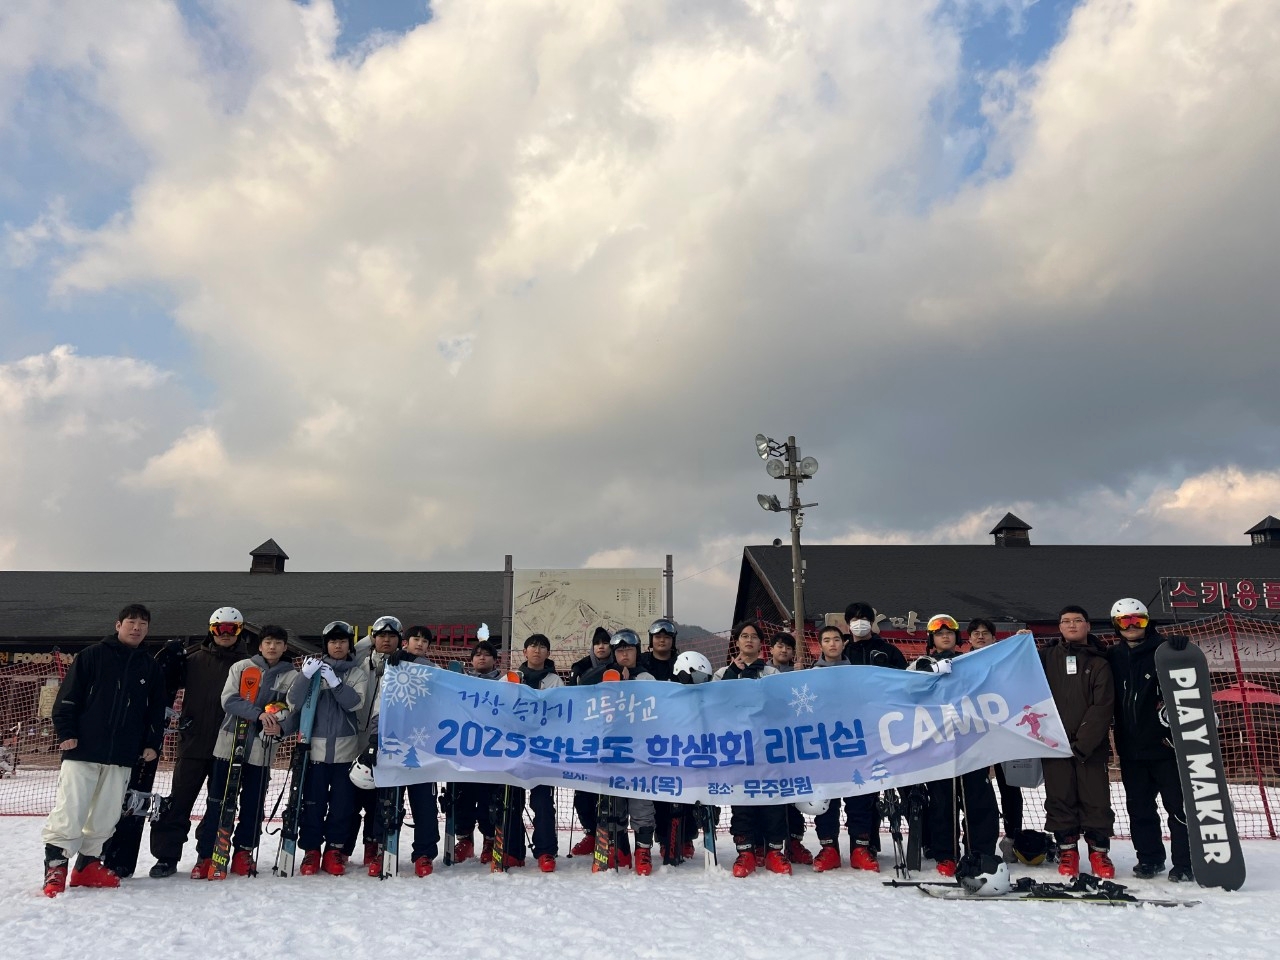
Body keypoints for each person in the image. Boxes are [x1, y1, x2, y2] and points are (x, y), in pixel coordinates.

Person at [42, 604, 167, 897]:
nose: (137, 628)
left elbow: (155, 711)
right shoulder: (92, 656)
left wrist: (151, 742)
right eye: (131, 622)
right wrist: (67, 732)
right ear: (118, 625)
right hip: (83, 748)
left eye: (143, 624)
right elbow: (68, 697)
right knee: (71, 808)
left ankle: (87, 865)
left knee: (107, 813)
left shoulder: (149, 666)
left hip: (122, 754)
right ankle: (56, 867)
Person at [148, 606, 249, 878]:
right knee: (179, 801)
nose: (225, 634)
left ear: (240, 631)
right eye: (219, 628)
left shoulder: (248, 665)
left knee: (219, 803)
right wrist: (167, 660)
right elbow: (163, 684)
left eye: (231, 629)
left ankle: (208, 853)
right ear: (211, 630)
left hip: (228, 746)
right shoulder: (193, 660)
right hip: (193, 743)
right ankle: (166, 856)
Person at [191, 624, 298, 878]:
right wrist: (258, 715)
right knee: (218, 800)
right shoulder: (242, 667)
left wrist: (282, 728)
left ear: (285, 647)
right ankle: (207, 855)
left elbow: (294, 712)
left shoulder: (292, 676)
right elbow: (229, 700)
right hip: (230, 744)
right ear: (260, 645)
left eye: (278, 643)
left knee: (253, 803)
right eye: (268, 642)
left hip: (262, 749)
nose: (272, 647)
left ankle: (244, 852)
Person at [1107, 598, 1194, 882]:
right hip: (1131, 749)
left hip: (1166, 748)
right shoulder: (1113, 655)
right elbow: (1083, 651)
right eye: (1125, 621)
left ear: (1148, 621)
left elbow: (1189, 678)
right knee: (1140, 808)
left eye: (1138, 620)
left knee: (1178, 808)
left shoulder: (1163, 650)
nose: (1132, 626)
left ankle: (1185, 863)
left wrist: (1181, 647)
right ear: (1116, 626)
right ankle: (1149, 858)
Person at [914, 615, 1000, 877]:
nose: (945, 636)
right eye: (939, 634)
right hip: (938, 744)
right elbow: (908, 694)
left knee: (979, 799)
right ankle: (945, 854)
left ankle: (980, 852)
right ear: (932, 639)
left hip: (971, 741)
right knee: (942, 802)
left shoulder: (969, 662)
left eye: (950, 633)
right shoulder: (919, 664)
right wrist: (928, 675)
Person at [287, 620, 368, 876]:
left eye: (342, 641)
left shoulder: (356, 673)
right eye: (333, 642)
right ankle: (311, 850)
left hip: (346, 752)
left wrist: (336, 683)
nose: (338, 646)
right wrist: (304, 676)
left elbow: (355, 703)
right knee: (313, 804)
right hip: (315, 751)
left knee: (342, 805)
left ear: (349, 645)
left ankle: (335, 849)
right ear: (326, 645)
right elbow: (293, 701)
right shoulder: (313, 671)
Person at [359, 624, 441, 877]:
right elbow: (380, 704)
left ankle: (424, 853)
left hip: (422, 745)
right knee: (387, 799)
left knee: (424, 803)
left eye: (425, 641)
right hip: (392, 742)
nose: (420, 643)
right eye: (416, 639)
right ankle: (383, 847)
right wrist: (375, 737)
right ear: (406, 641)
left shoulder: (435, 671)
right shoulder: (392, 668)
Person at [1040, 605, 1115, 878]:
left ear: (1088, 626)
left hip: (1090, 748)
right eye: (1066, 621)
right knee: (1059, 798)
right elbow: (1016, 670)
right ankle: (1067, 851)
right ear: (1059, 627)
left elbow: (1102, 706)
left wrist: (1083, 743)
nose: (1072, 625)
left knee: (1096, 799)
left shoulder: (1100, 661)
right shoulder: (1046, 657)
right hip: (1054, 744)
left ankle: (1099, 853)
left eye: (1078, 620)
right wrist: (1020, 641)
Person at [713, 620, 791, 878]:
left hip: (767, 749)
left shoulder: (771, 673)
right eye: (744, 636)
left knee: (772, 800)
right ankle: (745, 852)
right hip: (736, 749)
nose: (749, 640)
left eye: (754, 636)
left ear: (761, 643)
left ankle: (774, 851)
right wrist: (734, 675)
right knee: (742, 801)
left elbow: (781, 705)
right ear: (736, 642)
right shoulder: (722, 673)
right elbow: (713, 705)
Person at [580, 629, 658, 874]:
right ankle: (619, 848)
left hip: (639, 751)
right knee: (613, 803)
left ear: (637, 651)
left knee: (641, 803)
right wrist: (609, 677)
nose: (624, 654)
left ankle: (643, 851)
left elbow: (657, 712)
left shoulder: (646, 677)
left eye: (629, 649)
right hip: (611, 750)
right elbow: (581, 686)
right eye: (620, 650)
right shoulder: (605, 675)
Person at [838, 601, 906, 871]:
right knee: (859, 790)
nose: (859, 623)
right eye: (854, 619)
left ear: (872, 622)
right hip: (851, 732)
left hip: (885, 730)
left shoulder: (889, 651)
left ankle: (913, 841)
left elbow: (905, 683)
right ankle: (862, 843)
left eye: (864, 618)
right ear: (847, 624)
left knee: (889, 787)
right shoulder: (842, 652)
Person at [965, 617, 1025, 858]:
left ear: (993, 637)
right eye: (976, 633)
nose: (980, 636)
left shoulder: (1006, 660)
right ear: (969, 638)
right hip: (974, 735)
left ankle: (1013, 836)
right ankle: (974, 839)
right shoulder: (961, 664)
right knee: (976, 788)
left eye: (985, 633)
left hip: (1005, 731)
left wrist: (1021, 643)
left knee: (1010, 786)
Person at [347, 615, 403, 872]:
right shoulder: (361, 662)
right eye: (381, 636)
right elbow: (351, 650)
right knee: (351, 799)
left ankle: (374, 843)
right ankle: (343, 847)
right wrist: (368, 638)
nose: (386, 640)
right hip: (355, 738)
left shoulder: (402, 666)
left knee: (379, 799)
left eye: (392, 636)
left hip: (384, 740)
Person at [508, 634, 562, 871]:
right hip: (514, 751)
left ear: (548, 653)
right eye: (533, 646)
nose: (537, 650)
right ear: (524, 652)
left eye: (542, 647)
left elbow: (561, 713)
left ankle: (546, 851)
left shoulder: (555, 681)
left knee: (542, 802)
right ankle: (513, 851)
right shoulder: (511, 678)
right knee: (511, 801)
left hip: (543, 751)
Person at [452, 640, 503, 864]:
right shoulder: (460, 683)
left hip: (492, 754)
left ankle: (490, 839)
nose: (482, 658)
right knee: (462, 797)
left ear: (495, 660)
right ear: (471, 660)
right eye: (477, 654)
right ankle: (465, 839)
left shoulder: (504, 684)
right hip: (463, 752)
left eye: (487, 654)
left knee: (488, 799)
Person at [568, 627, 614, 856]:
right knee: (583, 792)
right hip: (586, 739)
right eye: (597, 643)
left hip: (614, 738)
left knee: (610, 793)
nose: (601, 646)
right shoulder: (581, 668)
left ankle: (611, 835)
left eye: (605, 642)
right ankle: (591, 833)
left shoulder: (620, 668)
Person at [639, 617, 678, 681]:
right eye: (658, 637)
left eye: (667, 637)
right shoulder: (640, 661)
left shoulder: (681, 663)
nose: (662, 640)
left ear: (673, 640)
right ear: (651, 639)